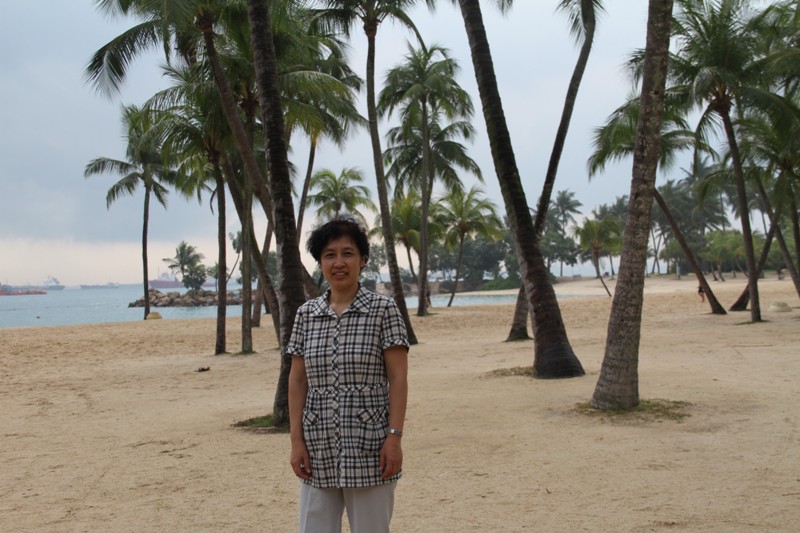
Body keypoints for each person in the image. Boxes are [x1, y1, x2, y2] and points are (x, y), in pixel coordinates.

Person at [287, 216, 409, 533]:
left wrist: (394, 438)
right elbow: (297, 381)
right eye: (330, 255)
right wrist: (296, 441)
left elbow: (398, 379)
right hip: (318, 447)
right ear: (319, 262)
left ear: (362, 260)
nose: (338, 263)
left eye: (347, 253)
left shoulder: (383, 310)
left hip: (371, 446)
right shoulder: (306, 315)